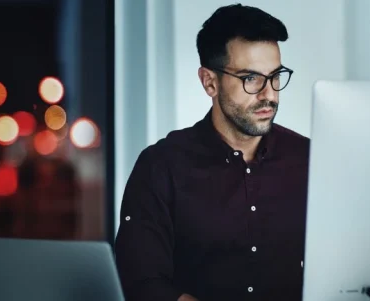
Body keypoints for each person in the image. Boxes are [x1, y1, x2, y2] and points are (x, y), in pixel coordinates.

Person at [115, 4, 310, 301]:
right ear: (209, 82)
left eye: (275, 76)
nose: (269, 94)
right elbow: (142, 282)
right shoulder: (161, 166)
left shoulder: (309, 159)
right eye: (251, 79)